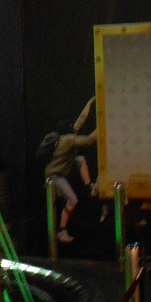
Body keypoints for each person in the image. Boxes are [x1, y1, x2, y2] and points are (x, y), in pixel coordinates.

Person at [43, 97, 99, 244]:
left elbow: (81, 119)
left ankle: (89, 186)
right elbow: (89, 140)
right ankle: (62, 231)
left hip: (61, 171)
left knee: (80, 159)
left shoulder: (65, 138)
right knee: (72, 200)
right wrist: (104, 126)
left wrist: (90, 103)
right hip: (54, 176)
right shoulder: (67, 140)